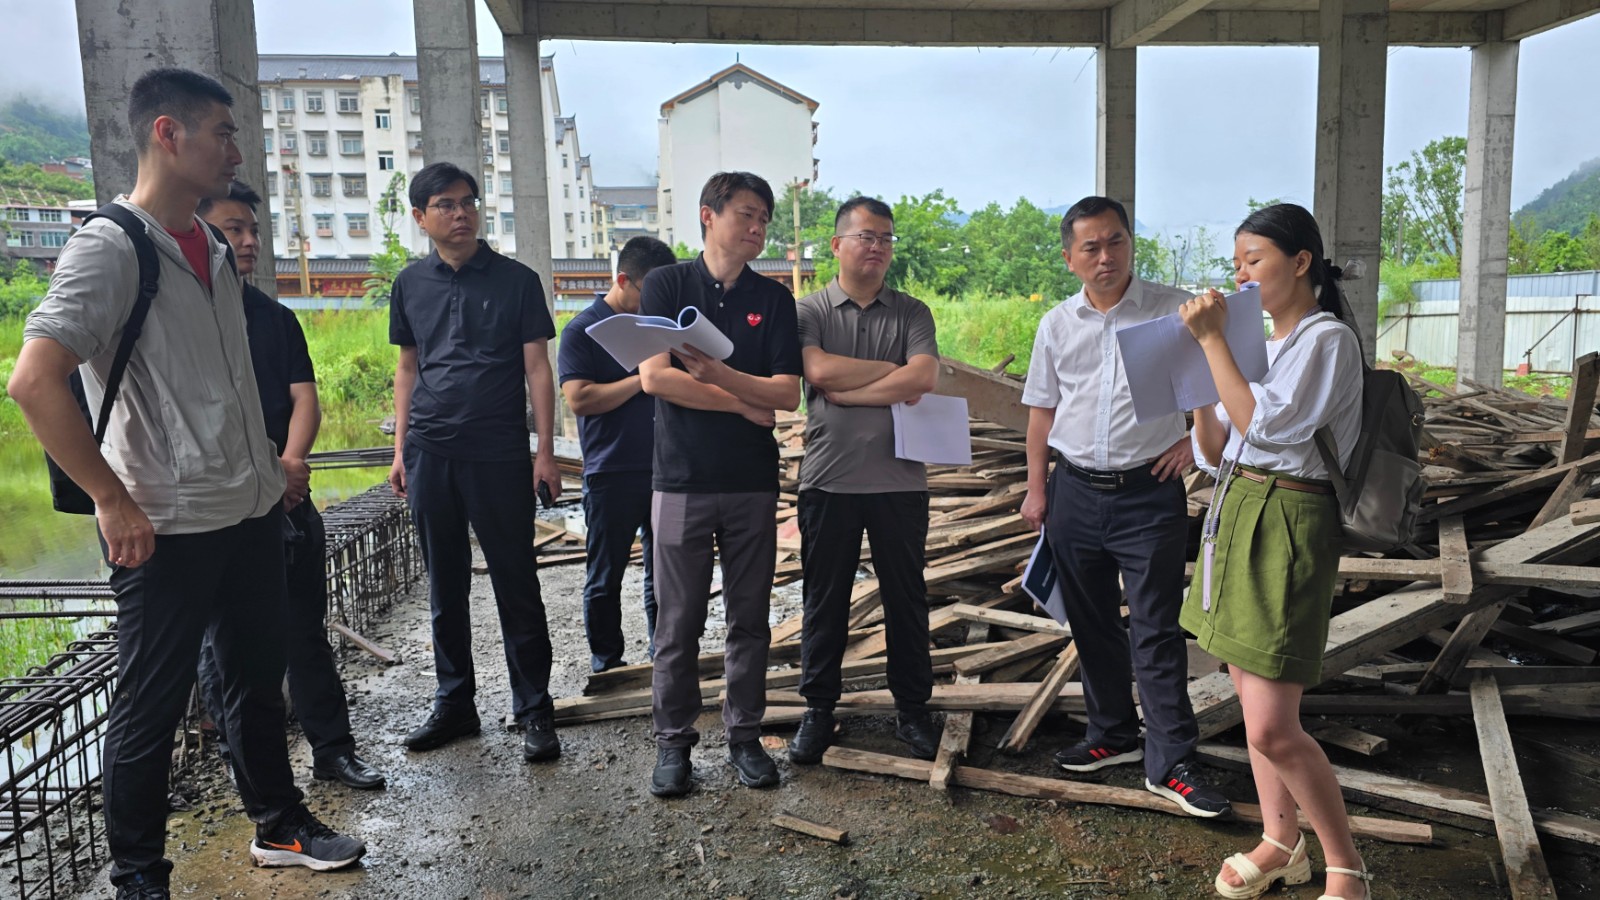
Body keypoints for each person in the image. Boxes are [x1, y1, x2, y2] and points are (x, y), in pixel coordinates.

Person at [10, 68, 365, 899]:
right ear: (168, 135)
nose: (236, 152)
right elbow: (33, 381)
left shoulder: (211, 248)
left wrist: (268, 471)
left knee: (254, 680)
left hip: (246, 508)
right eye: (223, 134)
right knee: (152, 703)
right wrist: (111, 499)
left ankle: (280, 825)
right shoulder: (112, 247)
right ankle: (140, 875)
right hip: (164, 522)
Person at [1178, 203, 1369, 900]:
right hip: (1240, 507)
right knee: (1247, 695)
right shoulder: (1260, 348)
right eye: (1236, 264)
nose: (1241, 276)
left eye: (1253, 261)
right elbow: (1214, 450)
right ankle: (1281, 842)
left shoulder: (1326, 340)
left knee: (1271, 725)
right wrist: (1198, 387)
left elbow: (1266, 428)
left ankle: (1347, 868)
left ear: (1301, 261)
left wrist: (1211, 345)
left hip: (1288, 516)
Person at [1020, 196, 1230, 819]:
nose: (1105, 256)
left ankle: (1172, 763)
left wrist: (1192, 445)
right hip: (1074, 492)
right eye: (1090, 247)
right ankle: (1112, 735)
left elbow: (1220, 388)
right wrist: (1037, 489)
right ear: (1070, 259)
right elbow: (1041, 411)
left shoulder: (1175, 311)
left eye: (1116, 241)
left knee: (1156, 627)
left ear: (1131, 243)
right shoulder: (1057, 324)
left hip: (1147, 495)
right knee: (1090, 624)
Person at [194, 181, 386, 791]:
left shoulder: (273, 318)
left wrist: (289, 466)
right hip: (221, 507)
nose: (249, 241)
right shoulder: (183, 319)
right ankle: (249, 768)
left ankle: (333, 750)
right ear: (197, 233)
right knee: (222, 647)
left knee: (305, 630)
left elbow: (305, 397)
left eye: (253, 230)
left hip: (288, 498)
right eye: (234, 229)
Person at [387, 161, 564, 763]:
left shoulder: (517, 280)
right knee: (445, 584)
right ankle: (455, 704)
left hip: (499, 451)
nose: (461, 214)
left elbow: (537, 368)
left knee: (516, 581)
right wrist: (400, 450)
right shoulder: (410, 284)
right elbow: (408, 367)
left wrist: (544, 450)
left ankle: (534, 708)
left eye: (468, 202)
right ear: (421, 217)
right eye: (445, 205)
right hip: (431, 451)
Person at [638, 172, 802, 797]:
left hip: (751, 482)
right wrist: (741, 400)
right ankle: (673, 743)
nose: (757, 227)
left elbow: (786, 394)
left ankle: (744, 736)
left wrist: (718, 375)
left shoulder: (774, 299)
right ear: (708, 215)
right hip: (679, 478)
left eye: (763, 219)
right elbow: (656, 378)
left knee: (749, 617)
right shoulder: (667, 284)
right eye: (746, 214)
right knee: (677, 621)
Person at [788, 196, 942, 764]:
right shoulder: (808, 312)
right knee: (824, 601)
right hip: (828, 481)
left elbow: (923, 377)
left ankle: (913, 711)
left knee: (907, 600)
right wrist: (894, 374)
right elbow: (817, 369)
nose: (877, 247)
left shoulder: (912, 312)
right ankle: (818, 710)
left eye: (885, 238)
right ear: (837, 245)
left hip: (900, 482)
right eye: (865, 236)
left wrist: (852, 393)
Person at [558, 236, 679, 673]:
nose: (656, 302)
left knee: (663, 573)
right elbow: (581, 398)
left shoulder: (659, 326)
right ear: (623, 280)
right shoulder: (583, 330)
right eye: (650, 291)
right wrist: (647, 378)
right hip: (611, 470)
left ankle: (663, 655)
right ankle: (607, 663)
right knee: (605, 575)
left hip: (666, 467)